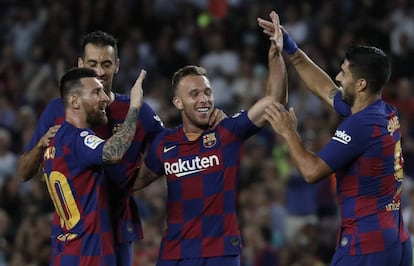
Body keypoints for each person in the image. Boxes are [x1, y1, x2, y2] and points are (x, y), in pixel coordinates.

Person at [17, 31, 224, 265]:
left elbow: (170, 150)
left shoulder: (137, 111)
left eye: (106, 64)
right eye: (92, 63)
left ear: (117, 66)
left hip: (117, 228)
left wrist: (137, 181)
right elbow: (24, 172)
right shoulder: (58, 110)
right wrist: (40, 145)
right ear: (80, 64)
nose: (99, 71)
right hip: (75, 231)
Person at [258, 11, 413, 266]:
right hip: (397, 241)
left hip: (365, 245)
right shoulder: (384, 112)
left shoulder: (358, 125)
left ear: (361, 84)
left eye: (344, 73)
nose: (339, 78)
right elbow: (326, 90)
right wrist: (291, 48)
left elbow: (311, 171)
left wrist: (288, 132)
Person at [134, 11, 287, 266]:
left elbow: (275, 100)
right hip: (175, 254)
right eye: (194, 94)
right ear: (178, 103)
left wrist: (275, 55)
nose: (204, 99)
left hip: (221, 254)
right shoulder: (165, 143)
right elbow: (135, 181)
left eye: (207, 92)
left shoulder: (228, 132)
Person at [43, 67, 145, 265]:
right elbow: (113, 152)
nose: (105, 98)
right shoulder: (78, 138)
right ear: (74, 101)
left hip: (66, 254)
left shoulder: (54, 142)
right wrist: (134, 108)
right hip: (89, 255)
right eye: (96, 92)